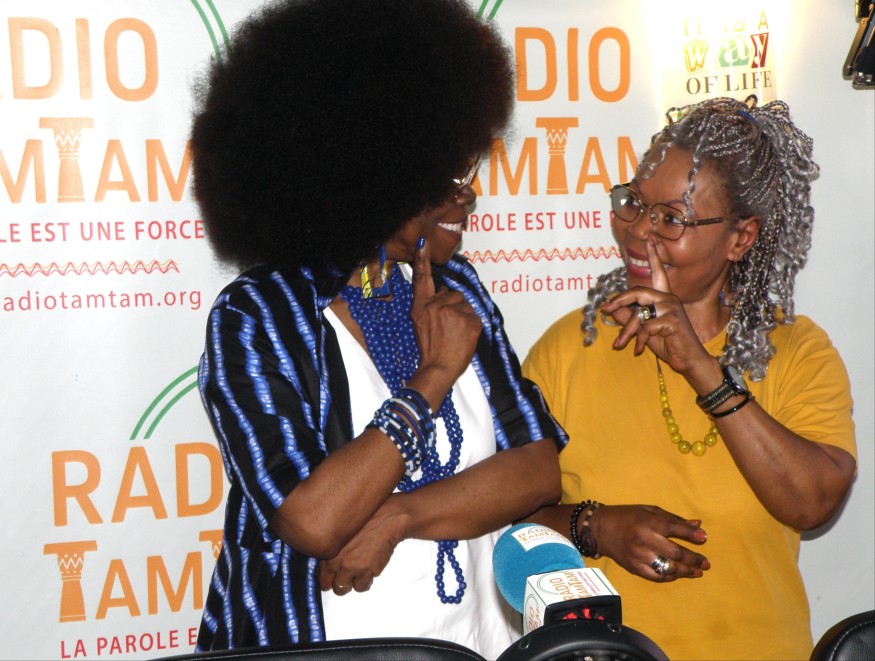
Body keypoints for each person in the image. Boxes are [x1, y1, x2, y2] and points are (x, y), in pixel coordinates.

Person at [189, 0, 565, 656]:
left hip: (475, 642)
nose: (467, 194)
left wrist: (399, 516)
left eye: (464, 168)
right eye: (442, 174)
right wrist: (432, 378)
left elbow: (537, 471)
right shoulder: (260, 316)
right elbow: (315, 520)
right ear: (366, 174)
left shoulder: (460, 290)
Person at [522, 96, 857, 661]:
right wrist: (596, 527)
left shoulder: (797, 352)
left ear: (740, 238)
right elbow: (508, 521)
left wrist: (702, 369)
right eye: (633, 202)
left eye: (671, 219)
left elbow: (813, 503)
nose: (638, 231)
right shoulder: (568, 348)